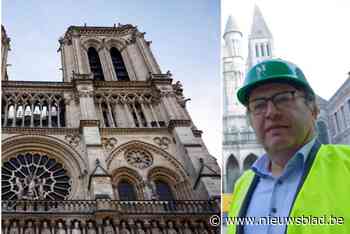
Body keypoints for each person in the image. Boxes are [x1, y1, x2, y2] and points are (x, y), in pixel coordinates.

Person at [228, 59, 350, 234]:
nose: (271, 113)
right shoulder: (242, 185)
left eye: (284, 99)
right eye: (259, 105)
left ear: (313, 110)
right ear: (250, 122)